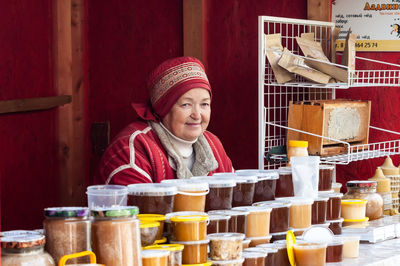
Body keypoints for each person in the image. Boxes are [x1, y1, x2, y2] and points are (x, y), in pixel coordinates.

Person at [95, 56, 233, 185]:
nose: (197, 115)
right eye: (186, 105)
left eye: (204, 104)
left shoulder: (213, 145)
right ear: (163, 108)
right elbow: (139, 208)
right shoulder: (133, 147)